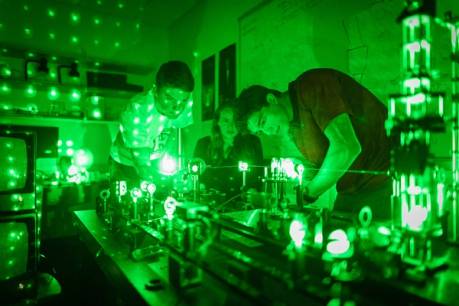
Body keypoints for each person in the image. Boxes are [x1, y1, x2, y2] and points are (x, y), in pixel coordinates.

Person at [236, 68, 391, 220]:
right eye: (261, 131)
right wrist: (297, 175)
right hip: (350, 191)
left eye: (263, 121)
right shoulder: (294, 127)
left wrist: (307, 194)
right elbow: (324, 169)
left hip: (383, 181)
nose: (268, 132)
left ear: (271, 99)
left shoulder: (310, 85)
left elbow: (346, 148)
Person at [109, 60, 194, 188]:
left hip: (156, 160)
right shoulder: (137, 110)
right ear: (155, 90)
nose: (177, 107)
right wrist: (169, 183)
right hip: (125, 165)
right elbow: (142, 165)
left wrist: (186, 169)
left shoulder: (183, 100)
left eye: (183, 100)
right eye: (169, 98)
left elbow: (181, 134)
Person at [193, 103, 264, 203]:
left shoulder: (252, 143)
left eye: (235, 121)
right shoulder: (203, 144)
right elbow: (197, 177)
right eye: (225, 120)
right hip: (210, 204)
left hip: (242, 204)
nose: (231, 126)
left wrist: (253, 193)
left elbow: (258, 176)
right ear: (218, 122)